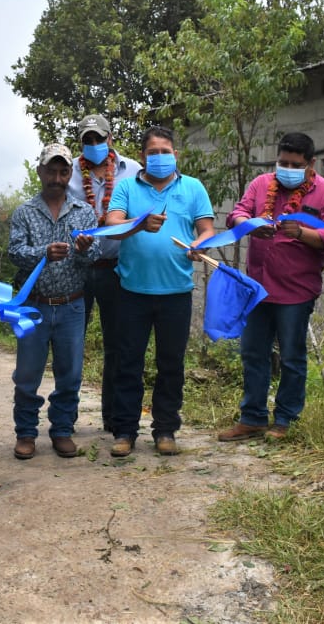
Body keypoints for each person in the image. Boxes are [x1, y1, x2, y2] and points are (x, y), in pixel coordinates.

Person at [217, 133, 324, 442]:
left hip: (296, 292)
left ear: (311, 164)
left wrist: (301, 232)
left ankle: (284, 419)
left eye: (295, 164)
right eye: (282, 163)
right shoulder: (261, 184)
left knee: (291, 356)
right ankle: (253, 418)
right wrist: (250, 224)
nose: (287, 169)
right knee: (252, 353)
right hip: (257, 289)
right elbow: (236, 214)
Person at [104, 125, 215, 457]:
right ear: (142, 157)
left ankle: (165, 430)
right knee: (128, 363)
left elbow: (207, 228)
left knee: (171, 364)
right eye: (153, 153)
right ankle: (125, 432)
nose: (160, 158)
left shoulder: (193, 187)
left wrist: (200, 243)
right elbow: (112, 225)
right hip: (131, 292)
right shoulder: (126, 187)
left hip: (176, 292)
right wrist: (138, 223)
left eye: (165, 152)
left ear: (176, 155)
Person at [7, 143, 100, 459]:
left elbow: (94, 256)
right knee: (27, 375)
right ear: (40, 172)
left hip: (73, 304)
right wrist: (41, 254)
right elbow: (15, 253)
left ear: (69, 174)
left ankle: (62, 430)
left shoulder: (84, 211)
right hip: (33, 305)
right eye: (51, 170)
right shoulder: (25, 212)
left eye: (63, 171)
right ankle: (26, 433)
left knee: (70, 375)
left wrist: (86, 250)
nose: (57, 177)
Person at [66, 114, 141, 432]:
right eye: (88, 140)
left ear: (110, 138)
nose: (94, 144)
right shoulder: (66, 171)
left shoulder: (134, 170)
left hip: (116, 269)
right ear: (81, 142)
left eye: (99, 138)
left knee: (118, 344)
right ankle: (64, 418)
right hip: (78, 268)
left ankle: (113, 416)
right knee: (70, 343)